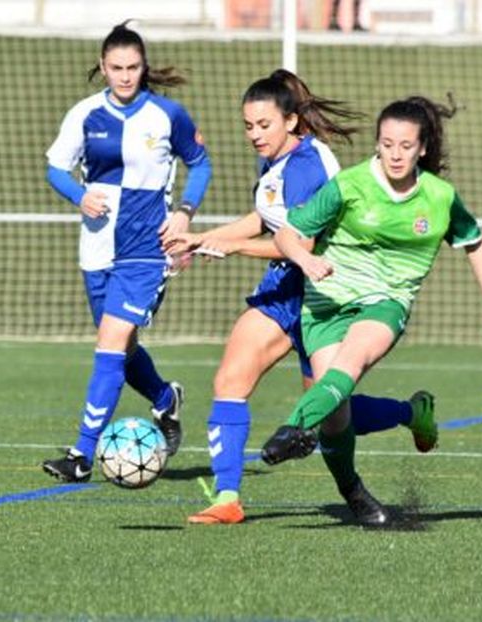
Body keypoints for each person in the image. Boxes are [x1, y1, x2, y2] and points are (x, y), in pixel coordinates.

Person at [163, 70, 433, 525]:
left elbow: (298, 244)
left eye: (263, 125)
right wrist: (201, 237)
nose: (253, 135)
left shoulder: (308, 168)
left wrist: (232, 247)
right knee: (231, 379)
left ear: (290, 122)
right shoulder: (274, 160)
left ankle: (409, 414)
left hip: (326, 293)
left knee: (334, 416)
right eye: (248, 125)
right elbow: (264, 217)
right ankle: (227, 498)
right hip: (282, 288)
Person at [265, 95, 482, 525]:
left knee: (349, 364)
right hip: (325, 303)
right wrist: (305, 260)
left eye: (405, 146)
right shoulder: (350, 184)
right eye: (387, 144)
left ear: (423, 149)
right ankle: (358, 486)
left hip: (386, 300)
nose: (395, 154)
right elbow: (289, 234)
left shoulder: (439, 197)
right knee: (336, 415)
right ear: (377, 144)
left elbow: (472, 240)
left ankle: (290, 430)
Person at [40, 21, 212, 482]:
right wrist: (79, 195)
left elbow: (199, 164)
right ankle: (164, 399)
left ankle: (81, 455)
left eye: (133, 67)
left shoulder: (168, 115)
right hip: (96, 246)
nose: (125, 76)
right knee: (122, 347)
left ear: (144, 67)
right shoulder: (84, 115)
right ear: (103, 67)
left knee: (110, 345)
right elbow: (55, 168)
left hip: (146, 250)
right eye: (116, 67)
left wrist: (185, 213)